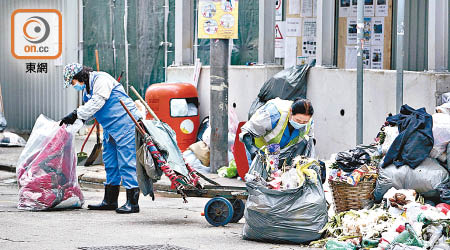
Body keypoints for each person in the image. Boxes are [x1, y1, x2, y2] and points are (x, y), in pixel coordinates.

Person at [60, 63, 141, 214]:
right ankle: (110, 200)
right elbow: (88, 113)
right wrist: (68, 126)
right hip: (110, 128)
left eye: (73, 82)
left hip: (125, 123)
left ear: (79, 76)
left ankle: (133, 202)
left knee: (126, 162)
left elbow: (97, 103)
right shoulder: (87, 91)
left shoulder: (101, 79)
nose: (74, 85)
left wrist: (75, 113)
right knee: (110, 162)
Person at [239, 97, 315, 163]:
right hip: (260, 150)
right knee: (257, 178)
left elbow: (310, 143)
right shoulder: (274, 114)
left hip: (282, 155)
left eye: (304, 122)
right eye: (298, 120)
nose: (301, 123)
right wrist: (253, 151)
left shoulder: (308, 122)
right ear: (290, 112)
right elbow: (247, 132)